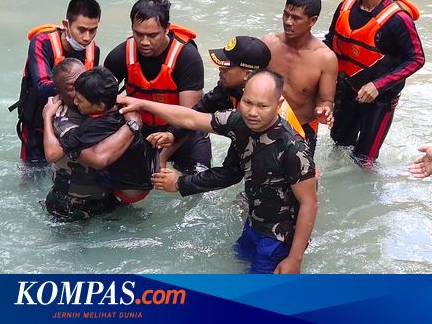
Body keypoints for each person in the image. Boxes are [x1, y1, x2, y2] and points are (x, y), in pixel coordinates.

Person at [119, 70, 318, 274]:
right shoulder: (239, 121)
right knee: (239, 260)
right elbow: (191, 118)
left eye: (262, 106)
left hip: (279, 236)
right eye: (247, 102)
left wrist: (295, 258)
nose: (252, 112)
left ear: (279, 104)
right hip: (255, 222)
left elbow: (309, 203)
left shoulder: (293, 149)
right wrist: (143, 104)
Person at [325, 0, 425, 167]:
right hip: (348, 91)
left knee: (364, 161)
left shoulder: (398, 20)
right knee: (338, 145)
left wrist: (378, 85)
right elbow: (330, 44)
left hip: (380, 100)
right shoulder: (345, 7)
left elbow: (417, 59)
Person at [103, 0, 211, 174]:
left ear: (167, 28)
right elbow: (101, 101)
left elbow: (190, 117)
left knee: (199, 184)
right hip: (141, 131)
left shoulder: (187, 58)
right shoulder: (120, 55)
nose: (144, 42)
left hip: (184, 133)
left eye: (153, 35)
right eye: (138, 34)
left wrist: (160, 158)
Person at [150, 36, 271, 195]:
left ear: (247, 74)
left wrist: (180, 183)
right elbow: (198, 112)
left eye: (226, 67)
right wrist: (172, 134)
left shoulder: (255, 115)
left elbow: (231, 173)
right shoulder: (229, 89)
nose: (220, 69)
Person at [40, 59, 141, 220]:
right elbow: (98, 158)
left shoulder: (99, 99)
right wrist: (133, 125)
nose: (83, 87)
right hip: (70, 203)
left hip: (105, 197)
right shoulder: (62, 119)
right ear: (59, 92)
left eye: (84, 79)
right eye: (72, 88)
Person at [11, 0, 102, 167]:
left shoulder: (93, 51)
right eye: (81, 29)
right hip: (37, 125)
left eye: (93, 30)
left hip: (71, 128)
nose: (87, 37)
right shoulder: (42, 42)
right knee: (33, 176)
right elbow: (41, 87)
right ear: (66, 24)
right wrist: (82, 85)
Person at [53, 67, 155, 205]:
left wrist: (47, 118)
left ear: (100, 106)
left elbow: (52, 154)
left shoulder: (94, 126)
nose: (76, 102)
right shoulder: (123, 107)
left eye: (80, 100)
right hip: (145, 174)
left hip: (128, 191)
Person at [263, 0, 338, 158]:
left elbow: (326, 99)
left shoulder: (325, 58)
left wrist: (324, 110)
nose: (288, 22)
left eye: (296, 18)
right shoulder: (268, 45)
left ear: (313, 20)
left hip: (302, 129)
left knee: (299, 182)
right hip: (265, 123)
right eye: (286, 14)